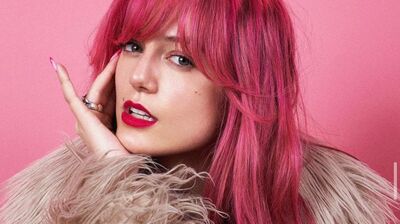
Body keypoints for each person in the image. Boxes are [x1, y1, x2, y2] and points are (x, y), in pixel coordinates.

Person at [0, 0, 399, 223]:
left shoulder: (330, 210)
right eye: (133, 47)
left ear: (243, 87)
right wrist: (114, 178)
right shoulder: (53, 208)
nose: (140, 78)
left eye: (180, 59)